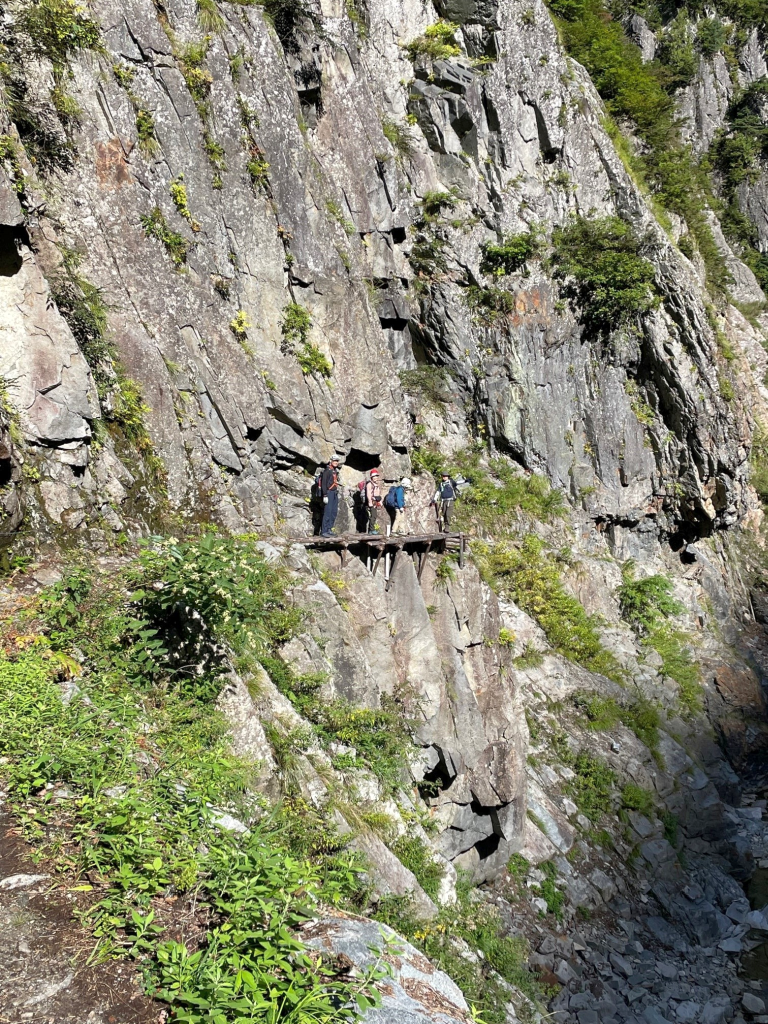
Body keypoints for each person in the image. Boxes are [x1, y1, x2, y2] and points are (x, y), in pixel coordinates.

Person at [320, 456, 341, 537]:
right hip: (329, 493)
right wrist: (324, 494)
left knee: (333, 512)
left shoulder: (334, 471)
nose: (336, 462)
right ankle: (324, 531)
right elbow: (324, 483)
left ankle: (329, 529)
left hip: (334, 493)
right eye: (334, 460)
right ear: (331, 461)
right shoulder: (327, 471)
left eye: (337, 461)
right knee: (328, 512)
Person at [365, 468, 385, 534]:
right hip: (372, 503)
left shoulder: (376, 485)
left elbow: (378, 494)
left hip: (375, 502)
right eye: (374, 476)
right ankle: (371, 530)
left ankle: (372, 529)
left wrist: (380, 502)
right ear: (371, 477)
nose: (376, 477)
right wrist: (370, 503)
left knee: (374, 516)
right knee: (373, 516)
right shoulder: (369, 484)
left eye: (376, 476)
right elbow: (368, 494)